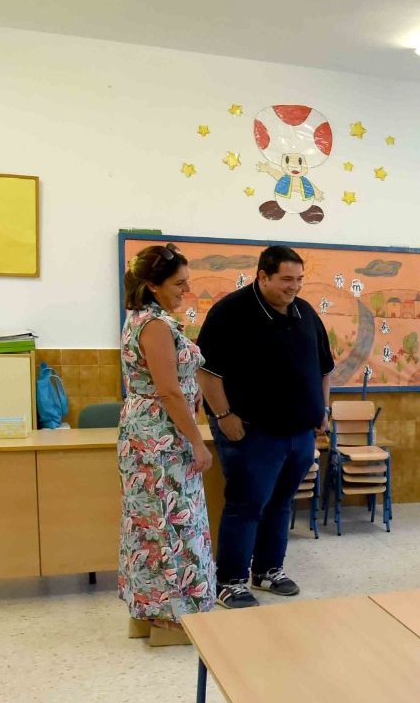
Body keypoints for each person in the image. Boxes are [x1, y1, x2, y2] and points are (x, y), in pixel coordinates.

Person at [196, 246, 334, 608]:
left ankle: (268, 571)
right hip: (252, 432)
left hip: (299, 433)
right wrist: (224, 416)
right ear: (263, 276)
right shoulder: (230, 312)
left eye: (300, 279)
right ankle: (230, 581)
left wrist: (323, 408)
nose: (295, 287)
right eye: (287, 279)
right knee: (246, 504)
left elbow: (324, 368)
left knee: (281, 503)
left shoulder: (305, 313)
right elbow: (208, 372)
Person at [117, 243, 216, 645]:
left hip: (147, 433)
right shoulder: (155, 326)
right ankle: (173, 620)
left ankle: (147, 614)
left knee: (148, 521)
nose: (185, 291)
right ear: (153, 285)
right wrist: (199, 442)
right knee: (173, 521)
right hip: (161, 437)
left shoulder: (141, 319)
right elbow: (170, 392)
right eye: (179, 283)